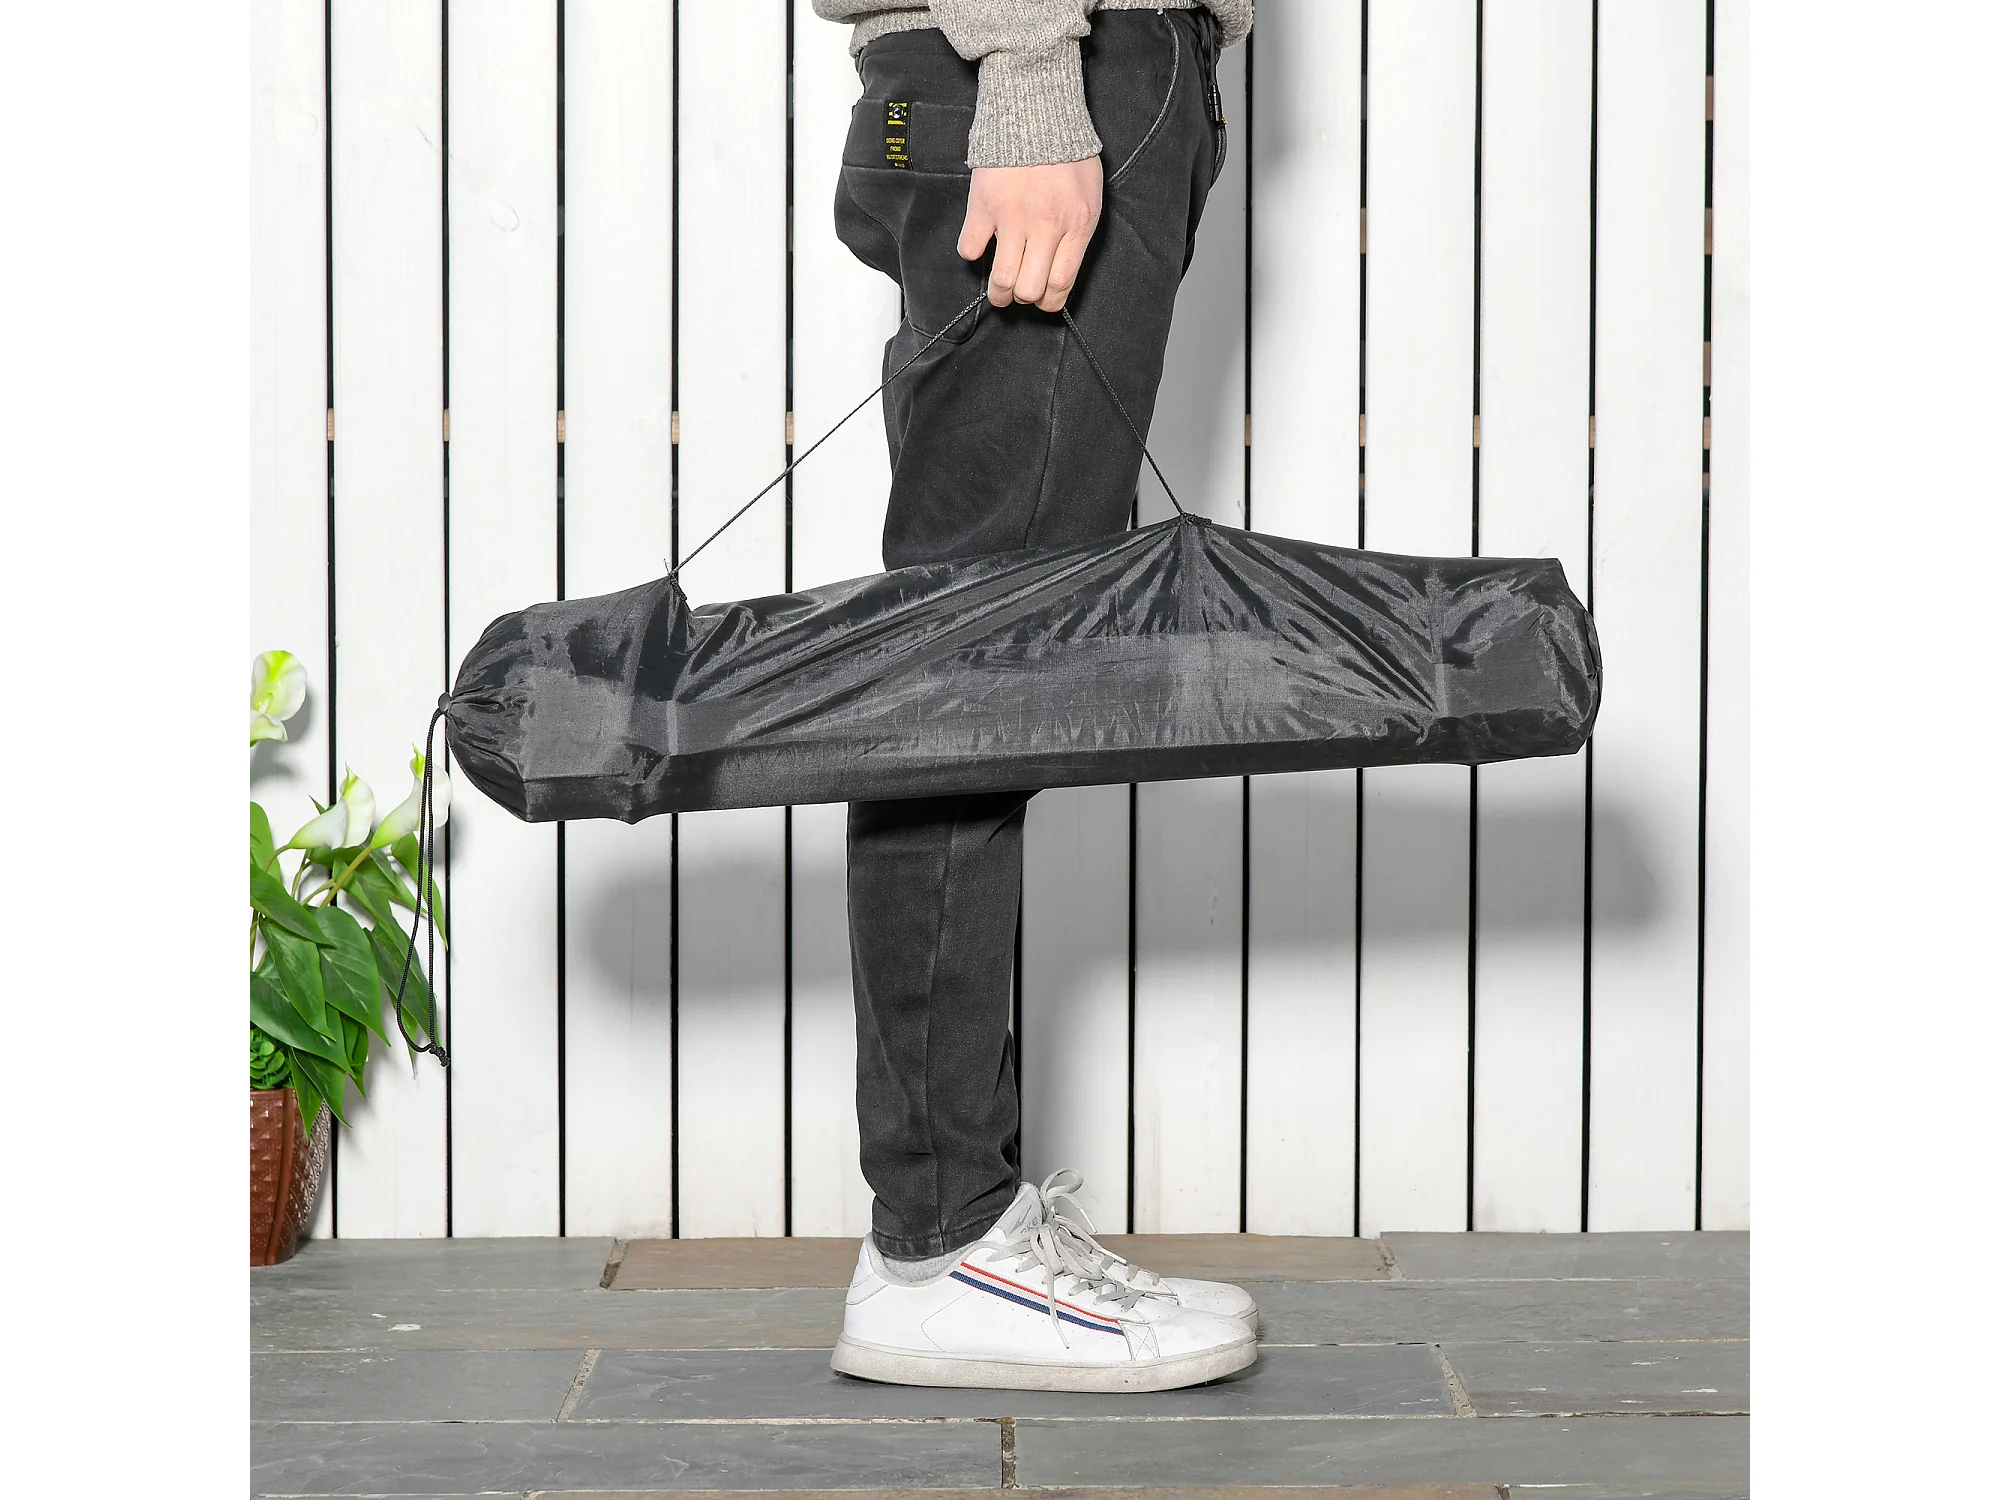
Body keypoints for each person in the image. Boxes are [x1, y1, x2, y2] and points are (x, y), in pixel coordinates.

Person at [814, 0, 1257, 1393]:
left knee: (982, 671)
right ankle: (940, 1250)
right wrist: (1027, 75)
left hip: (1079, 72)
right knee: (969, 682)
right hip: (1041, 69)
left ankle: (957, 1225)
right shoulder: (1031, 79)